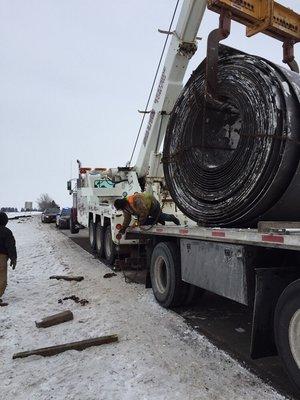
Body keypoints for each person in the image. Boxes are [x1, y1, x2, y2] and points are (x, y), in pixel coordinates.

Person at [114, 192, 180, 234]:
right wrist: (123, 228)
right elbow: (127, 219)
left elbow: (144, 212)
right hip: (143, 210)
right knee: (142, 223)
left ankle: (172, 217)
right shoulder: (125, 208)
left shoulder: (136, 200)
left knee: (159, 216)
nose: (120, 210)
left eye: (120, 208)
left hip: (152, 205)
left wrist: (138, 222)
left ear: (123, 205)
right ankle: (156, 220)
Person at [0, 212, 17, 302]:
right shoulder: (7, 232)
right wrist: (13, 258)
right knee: (2, 279)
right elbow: (10, 246)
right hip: (1, 257)